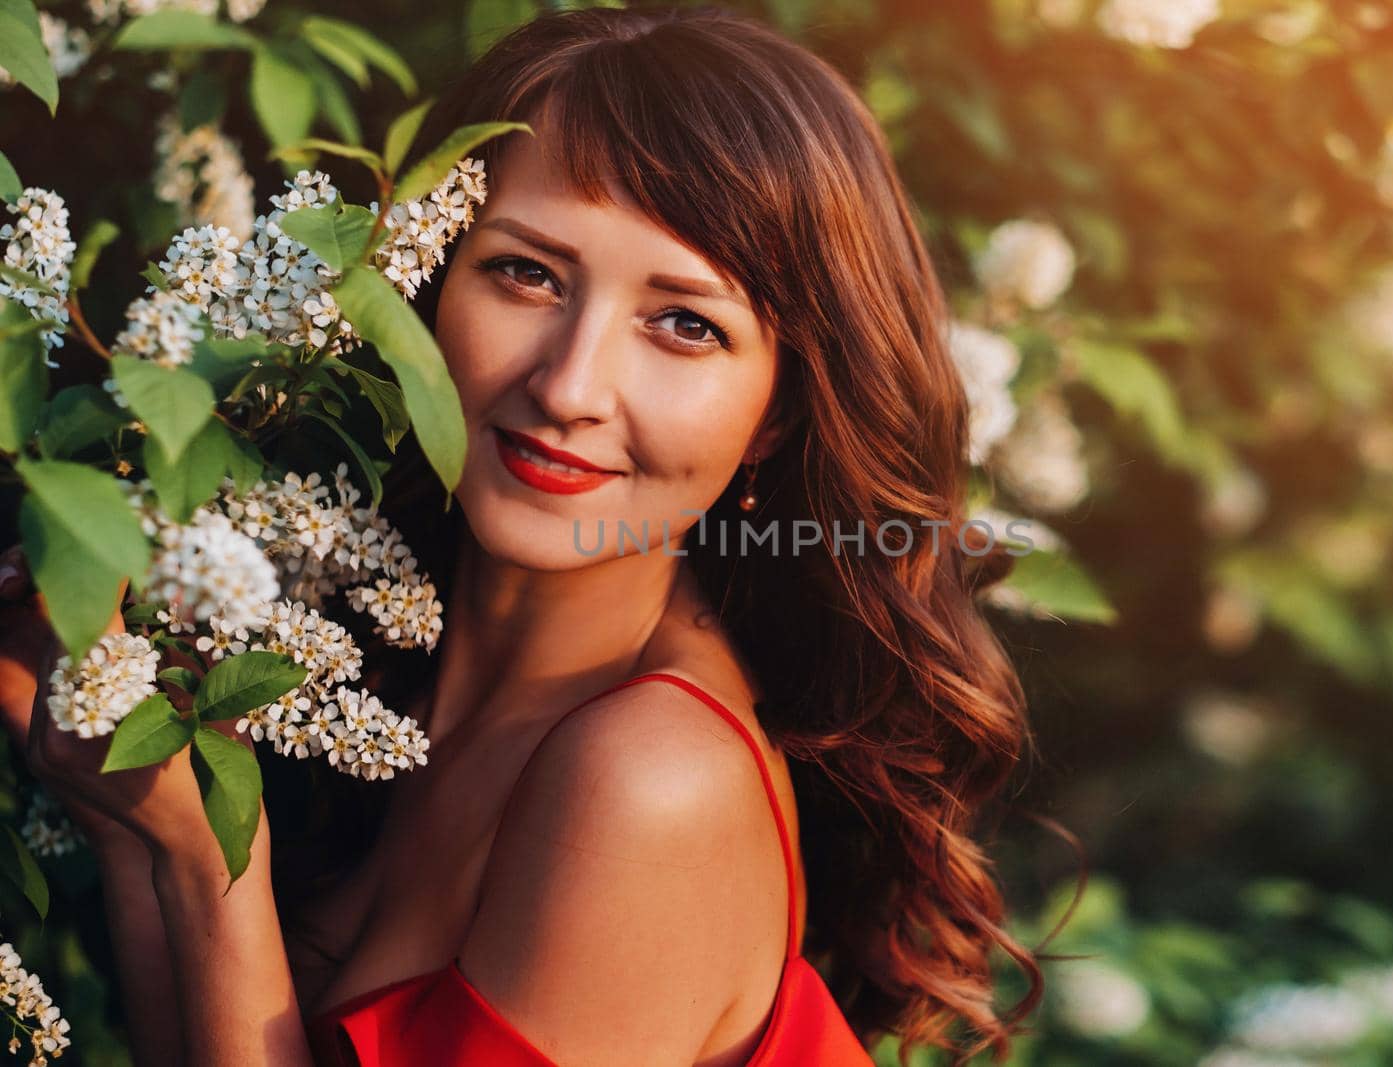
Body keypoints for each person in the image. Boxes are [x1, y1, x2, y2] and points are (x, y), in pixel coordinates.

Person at [0, 6, 1073, 1065]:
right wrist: (137, 817)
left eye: (685, 323)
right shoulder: (364, 674)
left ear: (778, 413)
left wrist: (205, 865)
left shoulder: (650, 779)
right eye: (526, 272)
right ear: (421, 282)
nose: (568, 385)